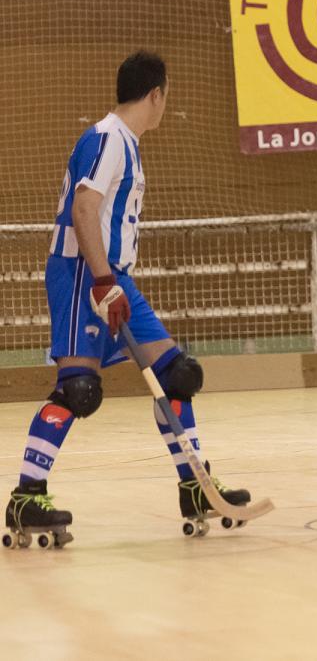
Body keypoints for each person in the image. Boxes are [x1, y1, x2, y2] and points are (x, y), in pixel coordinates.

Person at [4, 52, 251, 548]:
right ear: (156, 94)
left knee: (178, 375)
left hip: (112, 275)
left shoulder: (127, 145)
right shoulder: (107, 138)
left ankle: (194, 487)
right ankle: (27, 495)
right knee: (78, 390)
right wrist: (101, 280)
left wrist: (112, 279)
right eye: (166, 96)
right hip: (82, 272)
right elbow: (84, 208)